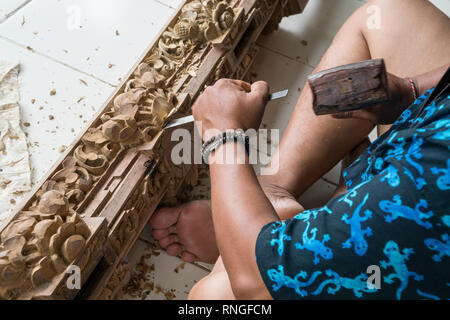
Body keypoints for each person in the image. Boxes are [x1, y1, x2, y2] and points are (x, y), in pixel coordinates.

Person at [148, 0, 450, 299]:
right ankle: (269, 197)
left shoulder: (429, 188)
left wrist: (223, 138)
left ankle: (252, 240)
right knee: (389, 16)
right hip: (426, 160)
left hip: (416, 240)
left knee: (214, 297)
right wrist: (411, 91)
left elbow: (256, 286)